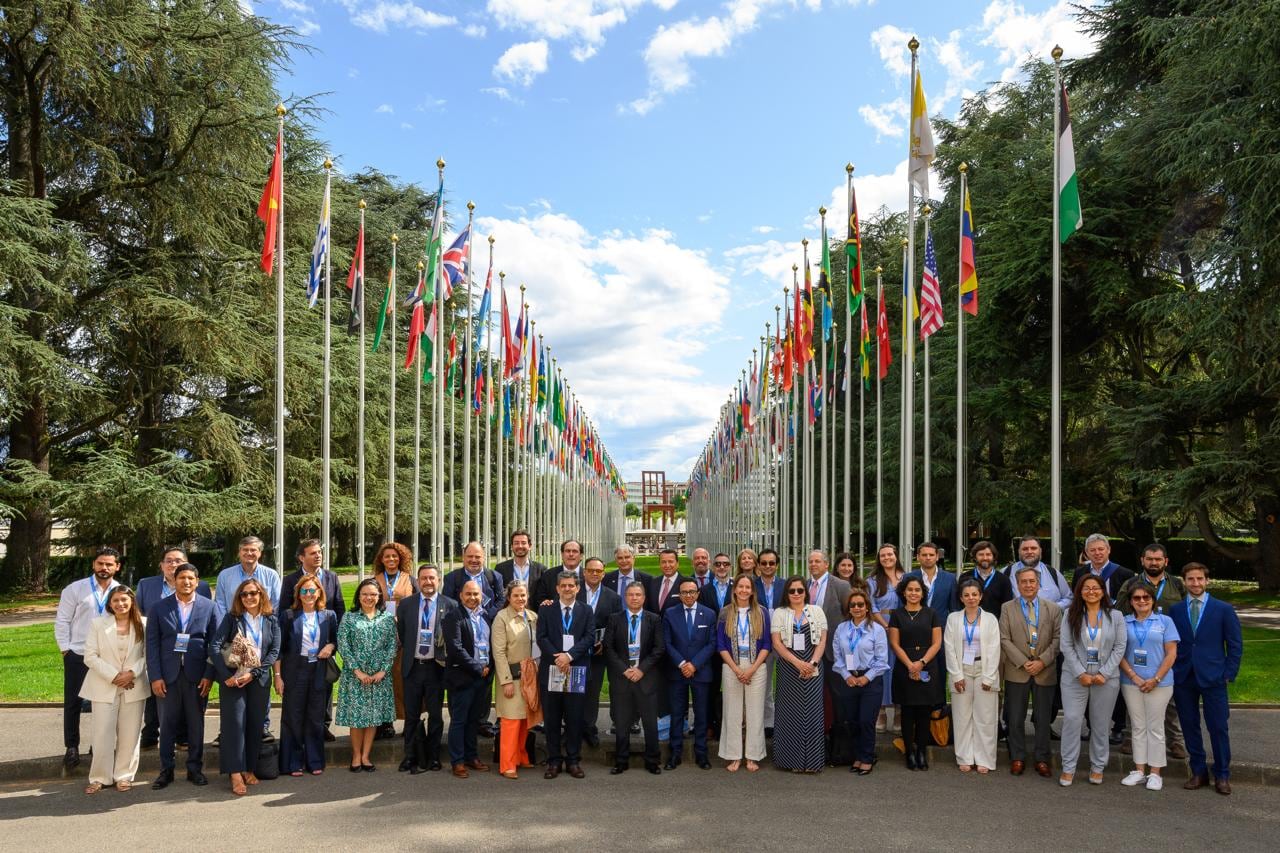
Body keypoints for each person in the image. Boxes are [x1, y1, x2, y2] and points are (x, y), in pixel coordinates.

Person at [1169, 563, 1243, 796]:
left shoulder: (1223, 609)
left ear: (1207, 581)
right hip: (1184, 677)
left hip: (1214, 678)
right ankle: (1198, 772)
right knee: (1190, 727)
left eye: (1200, 579)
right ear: (1184, 581)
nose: (1196, 583)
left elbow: (1235, 645)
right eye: (1191, 579)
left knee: (1218, 727)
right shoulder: (1176, 610)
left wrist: (1229, 673)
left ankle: (1222, 774)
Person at [146, 563, 217, 789]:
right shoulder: (159, 608)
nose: (186, 582)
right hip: (168, 677)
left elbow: (214, 645)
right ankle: (166, 770)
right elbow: (152, 645)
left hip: (197, 677)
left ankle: (194, 768)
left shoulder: (210, 607)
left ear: (197, 582)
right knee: (167, 725)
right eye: (182, 578)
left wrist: (209, 675)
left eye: (190, 578)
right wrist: (155, 677)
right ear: (173, 581)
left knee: (196, 724)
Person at [210, 577, 281, 796]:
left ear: (261, 595)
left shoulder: (271, 620)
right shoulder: (232, 618)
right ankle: (234, 773)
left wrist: (254, 674)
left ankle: (249, 768)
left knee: (255, 725)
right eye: (244, 594)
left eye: (253, 593)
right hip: (233, 679)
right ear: (239, 598)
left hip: (258, 680)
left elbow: (274, 652)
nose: (249, 597)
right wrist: (226, 676)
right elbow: (214, 645)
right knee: (234, 726)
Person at [1116, 543, 1189, 758]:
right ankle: (1131, 738)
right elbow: (1118, 612)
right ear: (1142, 560)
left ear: (1165, 561)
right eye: (1150, 559)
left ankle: (1175, 740)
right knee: (1134, 695)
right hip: (1135, 646)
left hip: (1167, 646)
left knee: (1170, 699)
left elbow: (1185, 614)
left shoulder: (1177, 585)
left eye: (1158, 559)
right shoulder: (1131, 584)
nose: (1154, 563)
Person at [136, 547, 211, 749]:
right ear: (162, 565)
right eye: (169, 561)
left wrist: (208, 673)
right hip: (165, 659)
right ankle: (152, 737)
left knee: (193, 715)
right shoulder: (147, 586)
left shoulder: (203, 593)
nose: (173, 564)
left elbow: (208, 631)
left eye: (178, 560)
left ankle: (187, 745)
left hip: (193, 665)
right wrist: (155, 673)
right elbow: (144, 627)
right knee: (160, 707)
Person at [54, 547, 122, 769]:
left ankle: (99, 745)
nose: (104, 568)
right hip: (79, 654)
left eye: (109, 564)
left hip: (108, 657)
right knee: (73, 702)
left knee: (103, 702)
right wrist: (66, 650)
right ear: (94, 564)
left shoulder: (122, 591)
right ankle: (71, 747)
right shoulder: (75, 589)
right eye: (101, 563)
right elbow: (62, 620)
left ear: (117, 567)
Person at [80, 585, 150, 794]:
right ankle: (100, 777)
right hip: (104, 685)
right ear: (110, 604)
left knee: (130, 734)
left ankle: (124, 775)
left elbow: (148, 655)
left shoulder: (143, 624)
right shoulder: (98, 624)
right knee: (102, 734)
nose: (120, 604)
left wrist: (131, 673)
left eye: (124, 600)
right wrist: (115, 676)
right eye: (116, 600)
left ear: (131, 602)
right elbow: (90, 656)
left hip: (134, 685)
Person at [1058, 573, 1126, 786]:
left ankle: (1098, 767)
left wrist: (1104, 673)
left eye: (1095, 588)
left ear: (1103, 591)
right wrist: (1081, 673)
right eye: (1086, 588)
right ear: (1080, 592)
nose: (1091, 591)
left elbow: (1120, 647)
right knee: (1072, 719)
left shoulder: (1115, 616)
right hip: (1074, 676)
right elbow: (1066, 646)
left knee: (1100, 723)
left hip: (1106, 678)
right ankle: (1068, 767)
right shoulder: (1071, 614)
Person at [279, 538, 344, 744]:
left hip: (325, 644)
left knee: (324, 687)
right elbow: (284, 609)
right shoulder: (291, 580)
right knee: (299, 693)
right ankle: (301, 730)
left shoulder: (331, 577)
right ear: (301, 557)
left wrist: (334, 642)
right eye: (312, 553)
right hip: (298, 646)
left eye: (319, 552)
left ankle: (323, 726)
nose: (318, 556)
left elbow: (339, 609)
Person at [999, 565, 1061, 778]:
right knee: (1015, 718)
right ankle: (1017, 757)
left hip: (1045, 670)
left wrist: (1042, 662)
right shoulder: (1007, 608)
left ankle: (1042, 758)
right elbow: (1004, 638)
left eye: (1031, 581)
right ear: (1017, 584)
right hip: (1018, 670)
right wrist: (1024, 662)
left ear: (1038, 584)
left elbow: (1058, 639)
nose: (1027, 585)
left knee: (1043, 719)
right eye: (1023, 582)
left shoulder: (1053, 608)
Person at [273, 574, 338, 776]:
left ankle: (315, 760)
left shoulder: (329, 616)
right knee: (293, 716)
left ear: (319, 592)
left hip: (318, 669)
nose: (308, 594)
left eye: (312, 590)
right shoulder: (288, 616)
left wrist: (330, 646)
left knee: (315, 717)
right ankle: (292, 762)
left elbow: (335, 641)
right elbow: (279, 649)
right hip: (294, 670)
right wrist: (277, 676)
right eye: (304, 591)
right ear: (298, 594)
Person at [1118, 583, 1179, 791]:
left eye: (1146, 597)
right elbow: (1119, 653)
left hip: (1160, 683)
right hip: (1131, 682)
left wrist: (1155, 678)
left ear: (1153, 600)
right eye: (1137, 598)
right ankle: (1139, 770)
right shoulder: (1124, 622)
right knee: (1137, 726)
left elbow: (1171, 653)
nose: (1142, 601)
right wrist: (1134, 677)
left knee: (1155, 727)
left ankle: (1155, 773)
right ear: (1131, 602)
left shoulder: (1165, 621)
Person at [536, 570, 595, 779]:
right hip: (552, 669)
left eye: (571, 586)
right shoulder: (546, 610)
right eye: (564, 586)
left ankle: (573, 760)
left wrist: (569, 656)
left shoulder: (586, 610)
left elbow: (589, 637)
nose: (567, 589)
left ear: (578, 588)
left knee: (574, 718)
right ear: (557, 588)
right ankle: (553, 761)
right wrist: (557, 657)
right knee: (551, 719)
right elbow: (541, 638)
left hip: (575, 669)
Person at [395, 564, 453, 774]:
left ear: (439, 581)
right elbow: (402, 633)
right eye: (424, 578)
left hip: (436, 669)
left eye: (432, 578)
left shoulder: (450, 605)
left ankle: (434, 756)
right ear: (418, 581)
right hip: (413, 667)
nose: (428, 582)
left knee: (436, 716)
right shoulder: (406, 605)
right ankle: (410, 756)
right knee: (411, 716)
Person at [604, 581, 666, 775]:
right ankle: (621, 760)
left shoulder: (654, 619)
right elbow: (608, 648)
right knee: (622, 723)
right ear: (625, 597)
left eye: (638, 595)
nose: (634, 598)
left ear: (644, 598)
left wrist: (641, 670)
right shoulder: (615, 619)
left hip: (645, 678)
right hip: (622, 679)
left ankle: (652, 761)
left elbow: (659, 649)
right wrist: (624, 670)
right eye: (630, 594)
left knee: (649, 723)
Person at [336, 578, 397, 772]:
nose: (368, 597)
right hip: (355, 676)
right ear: (358, 596)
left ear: (379, 596)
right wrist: (357, 671)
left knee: (372, 717)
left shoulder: (387, 618)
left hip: (379, 676)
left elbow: (392, 646)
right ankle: (355, 755)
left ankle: (366, 756)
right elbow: (343, 646)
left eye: (373, 594)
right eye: (364, 594)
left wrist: (383, 670)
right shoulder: (349, 617)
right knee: (357, 718)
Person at [772, 576, 828, 772]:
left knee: (812, 714)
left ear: (806, 592)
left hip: (813, 667)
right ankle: (792, 762)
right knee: (790, 715)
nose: (796, 594)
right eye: (792, 591)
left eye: (800, 590)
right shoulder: (779, 613)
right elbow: (777, 643)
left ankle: (812, 763)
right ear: (786, 593)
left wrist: (812, 663)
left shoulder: (817, 611)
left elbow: (822, 640)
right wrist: (797, 663)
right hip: (789, 667)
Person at [945, 578, 1001, 773]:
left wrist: (989, 677)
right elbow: (949, 648)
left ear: (981, 596)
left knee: (985, 717)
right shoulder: (953, 619)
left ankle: (985, 758)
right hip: (962, 669)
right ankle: (965, 756)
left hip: (983, 668)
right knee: (962, 716)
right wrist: (956, 675)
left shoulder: (991, 619)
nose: (971, 598)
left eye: (974, 594)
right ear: (961, 598)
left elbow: (995, 649)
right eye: (967, 595)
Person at [717, 575, 771, 772]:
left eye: (747, 587)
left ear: (752, 591)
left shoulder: (762, 612)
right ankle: (733, 756)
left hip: (756, 666)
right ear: (735, 589)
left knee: (755, 712)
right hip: (732, 666)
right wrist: (737, 669)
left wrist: (752, 668)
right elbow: (721, 644)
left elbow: (767, 643)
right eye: (740, 586)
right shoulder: (725, 613)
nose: (744, 590)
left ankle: (752, 756)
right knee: (732, 713)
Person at [889, 576, 943, 771]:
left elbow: (936, 643)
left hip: (927, 665)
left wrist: (921, 663)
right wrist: (910, 665)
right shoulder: (897, 614)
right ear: (904, 592)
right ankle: (909, 753)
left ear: (923, 593)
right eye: (910, 590)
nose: (913, 593)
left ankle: (922, 751)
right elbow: (895, 643)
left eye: (917, 590)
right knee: (908, 712)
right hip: (905, 666)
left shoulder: (932, 613)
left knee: (923, 712)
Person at [831, 588, 888, 775]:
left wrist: (866, 677)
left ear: (867, 607)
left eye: (860, 605)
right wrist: (847, 676)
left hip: (870, 680)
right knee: (853, 721)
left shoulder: (877, 630)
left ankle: (867, 757)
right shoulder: (842, 628)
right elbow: (837, 656)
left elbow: (882, 660)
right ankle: (857, 755)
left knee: (866, 721)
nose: (856, 608)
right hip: (848, 679)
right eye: (853, 605)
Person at [662, 578, 717, 770]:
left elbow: (712, 643)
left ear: (698, 593)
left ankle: (701, 754)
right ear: (679, 594)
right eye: (684, 592)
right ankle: (675, 753)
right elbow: (667, 643)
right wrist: (682, 663)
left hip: (701, 672)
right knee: (677, 714)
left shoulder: (709, 614)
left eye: (692, 592)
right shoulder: (670, 613)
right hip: (677, 672)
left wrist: (694, 664)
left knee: (701, 715)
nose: (688, 595)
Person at [442, 579, 495, 778]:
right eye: (469, 594)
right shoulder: (453, 617)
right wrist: (477, 667)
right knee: (459, 721)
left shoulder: (486, 616)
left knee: (474, 721)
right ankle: (457, 761)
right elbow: (455, 648)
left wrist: (488, 668)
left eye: (476, 594)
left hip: (483, 678)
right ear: (461, 596)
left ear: (481, 596)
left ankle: (472, 757)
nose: (473, 598)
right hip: (462, 677)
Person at [491, 579, 538, 779]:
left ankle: (521, 756)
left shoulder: (532, 616)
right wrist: (506, 681)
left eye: (523, 595)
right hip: (512, 677)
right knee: (511, 721)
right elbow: (499, 652)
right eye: (516, 595)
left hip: (530, 676)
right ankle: (507, 764)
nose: (520, 599)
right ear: (508, 597)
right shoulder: (501, 618)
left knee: (525, 720)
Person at [577, 556, 622, 748]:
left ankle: (589, 728)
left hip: (598, 653)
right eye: (591, 570)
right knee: (574, 692)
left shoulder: (613, 597)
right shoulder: (573, 591)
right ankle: (573, 729)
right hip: (575, 653)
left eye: (598, 571)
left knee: (593, 692)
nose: (594, 574)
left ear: (603, 573)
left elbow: (616, 625)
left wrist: (604, 642)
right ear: (584, 572)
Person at [373, 541, 416, 740]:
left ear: (401, 558)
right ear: (381, 560)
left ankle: (409, 720)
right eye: (387, 556)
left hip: (405, 638)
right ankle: (385, 723)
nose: (391, 559)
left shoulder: (410, 580)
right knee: (384, 680)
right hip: (381, 638)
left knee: (404, 679)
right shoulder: (374, 581)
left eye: (395, 556)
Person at [867, 543, 904, 732]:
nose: (887, 558)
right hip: (882, 626)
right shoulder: (873, 581)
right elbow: (871, 607)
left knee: (900, 667)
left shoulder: (907, 577)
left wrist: (899, 627)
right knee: (882, 666)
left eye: (890, 554)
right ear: (879, 559)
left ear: (896, 555)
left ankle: (898, 711)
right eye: (883, 555)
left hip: (904, 627)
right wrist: (886, 626)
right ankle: (881, 711)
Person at [698, 552, 735, 740]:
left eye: (725, 564)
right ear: (713, 567)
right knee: (710, 688)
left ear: (730, 567)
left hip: (733, 647)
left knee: (732, 689)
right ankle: (710, 724)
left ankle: (730, 727)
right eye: (718, 564)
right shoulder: (704, 591)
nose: (721, 567)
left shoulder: (738, 587)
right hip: (711, 647)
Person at [753, 548, 786, 736]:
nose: (767, 566)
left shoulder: (785, 584)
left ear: (777, 565)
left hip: (783, 641)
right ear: (758, 565)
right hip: (761, 640)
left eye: (771, 563)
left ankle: (784, 721)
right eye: (763, 563)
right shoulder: (751, 584)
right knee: (763, 684)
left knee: (786, 683)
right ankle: (767, 723)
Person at [213, 536, 281, 621]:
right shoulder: (224, 576)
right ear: (239, 552)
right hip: (233, 626)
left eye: (253, 550)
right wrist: (226, 629)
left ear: (260, 553)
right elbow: (220, 606)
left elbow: (276, 604)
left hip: (262, 626)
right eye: (245, 550)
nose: (249, 553)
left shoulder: (271, 575)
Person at [1003, 537, 1072, 610]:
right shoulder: (1006, 572)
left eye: (1033, 548)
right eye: (1025, 549)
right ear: (1019, 551)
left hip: (1049, 619)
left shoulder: (1053, 573)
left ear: (1040, 551)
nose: (1029, 552)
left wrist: (1052, 608)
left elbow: (1069, 599)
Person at [955, 540, 1013, 617]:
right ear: (975, 557)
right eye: (981, 555)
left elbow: (1007, 607)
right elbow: (958, 603)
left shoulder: (1003, 580)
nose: (985, 558)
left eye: (988, 554)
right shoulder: (965, 577)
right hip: (969, 624)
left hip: (994, 625)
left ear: (993, 557)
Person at [908, 542, 957, 629]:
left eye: (931, 555)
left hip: (941, 627)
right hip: (913, 626)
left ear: (937, 557)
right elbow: (902, 605)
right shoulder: (908, 577)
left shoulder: (950, 578)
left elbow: (954, 608)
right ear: (918, 557)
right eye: (924, 555)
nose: (928, 558)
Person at [495, 529, 548, 593]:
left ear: (530, 546)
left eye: (523, 543)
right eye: (516, 543)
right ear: (512, 546)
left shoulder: (541, 570)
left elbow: (544, 593)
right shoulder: (500, 569)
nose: (520, 546)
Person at [534, 539, 585, 605]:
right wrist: (546, 602)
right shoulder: (548, 575)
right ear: (562, 555)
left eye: (575, 551)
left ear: (581, 556)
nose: (571, 554)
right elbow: (540, 598)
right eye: (567, 551)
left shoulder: (588, 576)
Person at [649, 548, 687, 613]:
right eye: (663, 562)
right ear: (660, 564)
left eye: (670, 561)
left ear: (677, 563)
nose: (667, 565)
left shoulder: (685, 584)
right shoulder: (653, 583)